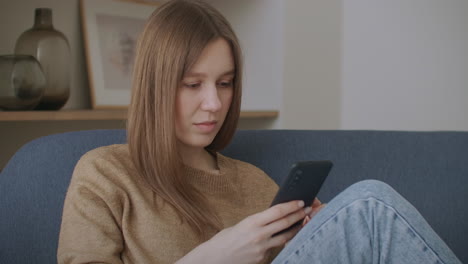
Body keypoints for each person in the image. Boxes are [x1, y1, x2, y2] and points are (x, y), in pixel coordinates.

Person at [57, 1, 461, 263]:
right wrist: (215, 256)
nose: (214, 103)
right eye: (193, 84)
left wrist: (320, 232)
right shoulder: (105, 175)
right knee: (370, 204)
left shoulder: (253, 184)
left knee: (361, 212)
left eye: (226, 83)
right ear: (154, 84)